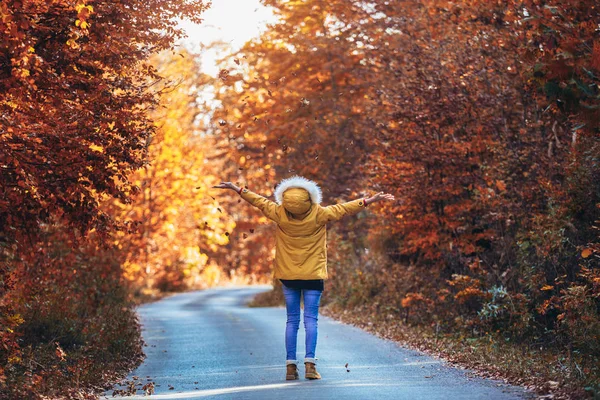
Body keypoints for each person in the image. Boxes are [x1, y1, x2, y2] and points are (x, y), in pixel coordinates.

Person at [213, 176, 395, 381]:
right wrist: (369, 200)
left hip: (288, 276)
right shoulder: (319, 214)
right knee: (311, 321)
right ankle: (310, 365)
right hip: (313, 276)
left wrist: (236, 188)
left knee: (292, 320)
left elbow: (259, 201)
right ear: (310, 198)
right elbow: (344, 208)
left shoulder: (279, 213)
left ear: (284, 199)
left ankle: (291, 368)